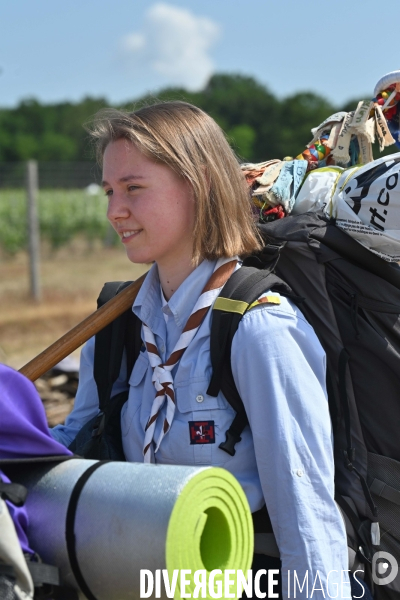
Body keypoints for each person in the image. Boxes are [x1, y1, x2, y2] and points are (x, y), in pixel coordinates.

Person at [51, 101, 358, 599]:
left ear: (200, 187)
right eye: (109, 191)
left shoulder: (261, 329)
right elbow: (76, 449)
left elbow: (307, 518)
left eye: (133, 188)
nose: (113, 211)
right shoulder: (115, 326)